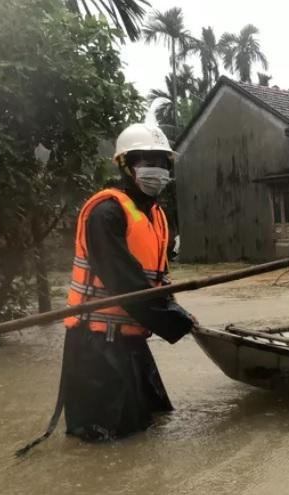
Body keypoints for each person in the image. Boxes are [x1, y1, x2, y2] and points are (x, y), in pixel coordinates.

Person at [19, 124, 197, 454]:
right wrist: (179, 320)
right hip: (97, 346)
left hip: (131, 339)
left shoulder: (156, 214)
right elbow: (125, 283)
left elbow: (155, 280)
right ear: (126, 165)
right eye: (147, 161)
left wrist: (175, 310)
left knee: (154, 422)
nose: (156, 170)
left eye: (162, 162)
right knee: (108, 443)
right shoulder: (106, 213)